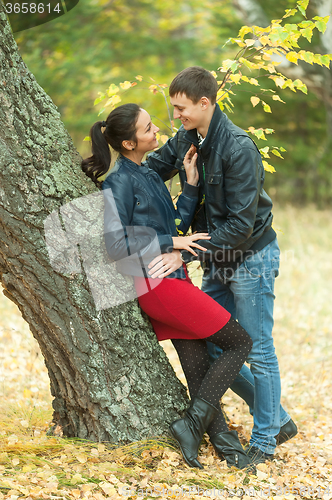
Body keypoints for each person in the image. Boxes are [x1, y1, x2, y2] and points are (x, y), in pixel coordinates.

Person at [81, 103, 256, 472]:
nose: (157, 129)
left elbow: (175, 221)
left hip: (171, 280)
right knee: (240, 342)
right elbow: (114, 245)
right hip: (157, 285)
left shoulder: (145, 174)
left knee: (196, 368)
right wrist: (171, 242)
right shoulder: (118, 181)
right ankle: (191, 423)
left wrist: (190, 185)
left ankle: (227, 447)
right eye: (148, 128)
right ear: (129, 143)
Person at [146, 66, 297, 464]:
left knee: (258, 351)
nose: (175, 116)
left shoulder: (239, 147)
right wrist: (110, 181)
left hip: (250, 258)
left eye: (181, 109)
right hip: (218, 259)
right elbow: (148, 172)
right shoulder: (186, 139)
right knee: (214, 344)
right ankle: (278, 419)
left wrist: (182, 251)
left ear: (204, 103)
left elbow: (240, 225)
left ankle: (264, 443)